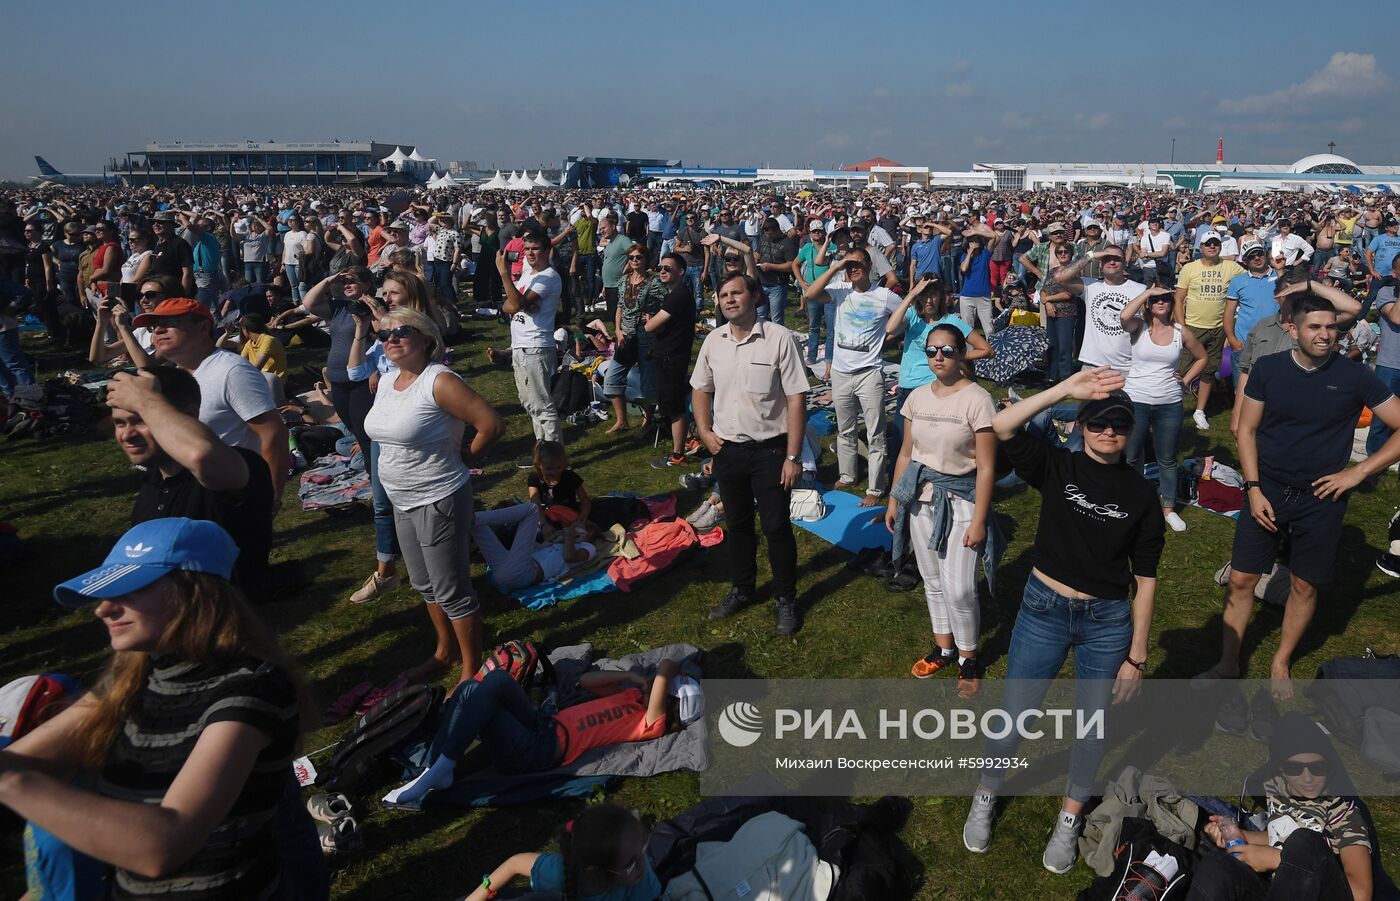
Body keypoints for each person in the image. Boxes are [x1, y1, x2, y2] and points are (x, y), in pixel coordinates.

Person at [0, 517, 317, 901]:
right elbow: (22, 761)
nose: (102, 610)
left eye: (127, 588)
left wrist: (12, 783)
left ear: (194, 590)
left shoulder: (252, 687)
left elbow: (162, 846)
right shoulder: (133, 678)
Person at [963, 368, 1163, 875]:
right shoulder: (1057, 465)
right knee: (1015, 712)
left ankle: (1070, 817)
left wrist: (1136, 657)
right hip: (1043, 609)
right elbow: (1000, 424)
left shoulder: (1142, 496)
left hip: (1107, 621)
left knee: (1092, 727)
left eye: (1118, 425)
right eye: (1097, 423)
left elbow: (1146, 578)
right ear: (1081, 425)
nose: (1108, 433)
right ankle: (987, 793)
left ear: (1130, 430)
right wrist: (1063, 390)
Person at [1200, 291, 1400, 700]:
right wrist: (1253, 489)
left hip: (1322, 497)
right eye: (1315, 327)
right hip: (1267, 488)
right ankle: (1228, 661)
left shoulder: (1355, 375)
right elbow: (1247, 431)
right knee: (1241, 580)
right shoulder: (1270, 369)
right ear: (1293, 329)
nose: (1325, 334)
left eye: (1331, 327)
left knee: (1305, 586)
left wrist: (1357, 472)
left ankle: (1280, 661)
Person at [363, 308, 505, 689]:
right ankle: (444, 651)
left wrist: (466, 456)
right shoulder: (390, 379)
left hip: (438, 496)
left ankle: (471, 669)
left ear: (427, 339)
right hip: (401, 499)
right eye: (384, 334)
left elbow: (491, 424)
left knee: (452, 590)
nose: (390, 339)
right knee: (424, 584)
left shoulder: (439, 382)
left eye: (401, 332)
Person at [382, 656, 702, 806]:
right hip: (543, 725)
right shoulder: (632, 698)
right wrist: (632, 680)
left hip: (539, 752)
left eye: (664, 692)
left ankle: (441, 766)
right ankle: (438, 765)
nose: (652, 689)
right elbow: (584, 683)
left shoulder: (652, 725)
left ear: (670, 705)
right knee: (484, 684)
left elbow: (665, 668)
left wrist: (665, 676)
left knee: (483, 698)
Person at [692, 272, 809, 635]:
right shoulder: (714, 341)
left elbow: (796, 397)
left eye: (736, 293)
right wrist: (705, 432)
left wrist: (793, 457)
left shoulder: (778, 338)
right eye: (723, 294)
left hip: (770, 450)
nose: (729, 300)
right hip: (728, 451)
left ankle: (785, 598)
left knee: (776, 527)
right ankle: (742, 589)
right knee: (738, 526)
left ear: (755, 297)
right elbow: (700, 389)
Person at [886, 324, 997, 693]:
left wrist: (980, 519)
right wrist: (893, 499)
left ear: (961, 353)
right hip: (919, 499)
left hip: (960, 499)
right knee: (932, 580)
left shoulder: (978, 399)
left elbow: (986, 467)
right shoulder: (916, 397)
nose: (939, 357)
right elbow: (905, 453)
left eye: (948, 351)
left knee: (961, 588)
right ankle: (944, 647)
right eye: (932, 350)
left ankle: (969, 657)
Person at [107, 366, 273, 594]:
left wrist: (146, 401)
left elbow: (201, 455)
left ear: (191, 415)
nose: (127, 435)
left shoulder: (240, 466)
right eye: (120, 423)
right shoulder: (153, 485)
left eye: (141, 420)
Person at [1187, 714, 1384, 901]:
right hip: (1277, 891)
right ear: (1281, 768)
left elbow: (1359, 894)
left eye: (1318, 768)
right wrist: (1240, 836)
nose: (1307, 778)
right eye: (1294, 768)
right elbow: (1279, 834)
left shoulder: (1343, 814)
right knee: (1218, 866)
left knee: (1304, 840)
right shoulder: (1277, 790)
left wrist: (1277, 860)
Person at [125, 296, 288, 507]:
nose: (157, 331)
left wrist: (270, 497)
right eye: (154, 327)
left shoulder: (231, 371)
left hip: (230, 496)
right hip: (188, 492)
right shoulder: (178, 376)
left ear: (202, 327)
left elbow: (273, 434)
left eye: (168, 325)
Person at [805, 249, 902, 507]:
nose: (853, 269)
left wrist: (886, 337)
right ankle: (847, 476)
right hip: (840, 372)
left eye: (857, 264)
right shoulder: (840, 290)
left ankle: (875, 487)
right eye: (849, 266)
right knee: (845, 429)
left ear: (869, 265)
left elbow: (903, 320)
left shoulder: (884, 296)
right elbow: (810, 294)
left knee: (875, 433)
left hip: (869, 373)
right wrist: (836, 267)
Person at [1119, 285, 1208, 532]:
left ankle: (1168, 509)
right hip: (1136, 399)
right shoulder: (1139, 327)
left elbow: (1202, 357)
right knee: (1132, 455)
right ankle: (1133, 500)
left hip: (1169, 403)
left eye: (1165, 299)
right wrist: (1147, 293)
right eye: (1156, 300)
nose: (1161, 302)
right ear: (1148, 304)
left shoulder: (1180, 332)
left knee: (1167, 459)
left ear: (1171, 304)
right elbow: (1124, 316)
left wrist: (1187, 379)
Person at [463, 803, 661, 901]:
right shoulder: (563, 871)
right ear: (593, 870)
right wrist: (477, 896)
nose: (643, 863)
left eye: (642, 847)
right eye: (631, 862)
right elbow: (515, 863)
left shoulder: (640, 880)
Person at [498, 228, 565, 445]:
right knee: (529, 402)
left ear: (547, 250)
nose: (529, 253)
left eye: (535, 249)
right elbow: (509, 304)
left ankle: (554, 454)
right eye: (527, 249)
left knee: (542, 404)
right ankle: (542, 447)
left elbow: (515, 303)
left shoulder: (548, 277)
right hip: (521, 345)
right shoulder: (529, 274)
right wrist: (518, 303)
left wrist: (505, 275)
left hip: (535, 346)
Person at [886, 276, 991, 409]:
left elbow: (986, 350)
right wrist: (911, 294)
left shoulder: (952, 321)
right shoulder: (912, 315)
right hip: (908, 386)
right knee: (904, 429)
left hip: (935, 387)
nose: (928, 301)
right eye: (924, 295)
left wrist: (956, 356)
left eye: (933, 295)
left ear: (941, 296)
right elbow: (890, 328)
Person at [1175, 232, 1245, 430]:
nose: (1212, 247)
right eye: (1208, 244)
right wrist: (1181, 326)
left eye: (1215, 244)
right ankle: (1173, 407)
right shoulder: (1190, 268)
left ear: (1220, 247)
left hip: (1218, 327)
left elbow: (1250, 278)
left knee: (1209, 370)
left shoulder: (1231, 267)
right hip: (1193, 326)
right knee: (1181, 369)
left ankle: (1199, 411)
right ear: (1201, 247)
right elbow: (1179, 299)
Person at [604, 245, 664, 434]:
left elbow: (669, 302)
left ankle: (647, 422)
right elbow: (620, 306)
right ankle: (622, 420)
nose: (635, 260)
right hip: (625, 337)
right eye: (631, 257)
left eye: (639, 257)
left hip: (646, 337)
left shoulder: (653, 283)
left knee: (648, 383)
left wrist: (654, 318)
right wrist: (618, 330)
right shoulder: (623, 281)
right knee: (612, 379)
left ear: (645, 259)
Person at [646, 251, 698, 467]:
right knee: (672, 404)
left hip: (672, 357)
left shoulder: (678, 296)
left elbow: (650, 326)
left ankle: (678, 454)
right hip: (669, 355)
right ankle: (687, 440)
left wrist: (651, 321)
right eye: (660, 268)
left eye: (668, 268)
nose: (663, 271)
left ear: (681, 271)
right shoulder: (673, 295)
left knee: (674, 407)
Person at [1367, 256, 1400, 458]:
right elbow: (1397, 317)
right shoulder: (1385, 292)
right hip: (1391, 365)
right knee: (1381, 420)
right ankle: (1374, 465)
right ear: (1395, 273)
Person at [794, 219, 836, 364]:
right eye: (814, 231)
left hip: (830, 291)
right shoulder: (807, 247)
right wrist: (800, 281)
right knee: (814, 326)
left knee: (831, 328)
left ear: (824, 232)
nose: (817, 233)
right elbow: (795, 264)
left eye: (819, 231)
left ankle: (830, 359)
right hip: (812, 290)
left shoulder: (832, 246)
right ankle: (812, 356)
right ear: (810, 233)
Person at [528, 440, 592, 525]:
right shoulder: (535, 479)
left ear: (564, 463)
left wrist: (582, 519)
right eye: (548, 469)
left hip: (571, 516)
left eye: (558, 468)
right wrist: (544, 524)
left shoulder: (570, 476)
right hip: (549, 518)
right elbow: (535, 506)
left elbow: (585, 501)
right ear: (539, 465)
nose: (554, 472)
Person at [754, 216, 796, 325]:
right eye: (766, 233)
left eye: (771, 234)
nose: (768, 236)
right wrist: (754, 260)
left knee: (776, 319)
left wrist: (771, 266)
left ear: (777, 230)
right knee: (760, 316)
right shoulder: (763, 238)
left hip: (777, 285)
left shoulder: (787, 243)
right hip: (762, 283)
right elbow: (757, 254)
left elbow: (791, 265)